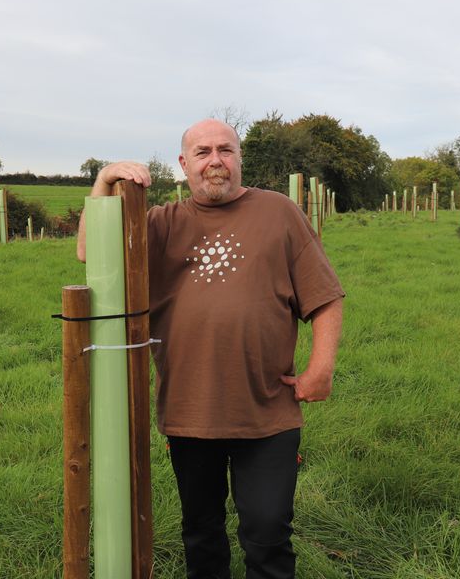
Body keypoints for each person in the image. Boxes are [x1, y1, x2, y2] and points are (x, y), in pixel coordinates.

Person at [77, 118, 344, 579]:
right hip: (190, 410)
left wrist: (320, 369)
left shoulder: (278, 212)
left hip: (266, 410)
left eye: (226, 150)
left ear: (240, 160)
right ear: (184, 165)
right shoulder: (160, 223)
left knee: (267, 533)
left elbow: (324, 297)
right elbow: (89, 251)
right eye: (202, 152)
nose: (215, 161)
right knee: (201, 532)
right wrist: (104, 180)